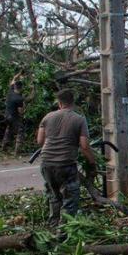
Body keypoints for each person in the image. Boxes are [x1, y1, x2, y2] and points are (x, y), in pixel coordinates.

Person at [37, 89, 96, 226]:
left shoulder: (47, 117)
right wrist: (92, 164)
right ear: (73, 102)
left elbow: (40, 141)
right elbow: (85, 146)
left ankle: (53, 228)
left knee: (54, 196)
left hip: (46, 163)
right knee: (69, 201)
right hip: (65, 165)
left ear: (59, 103)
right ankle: (63, 234)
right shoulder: (79, 119)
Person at [1, 74, 25, 156]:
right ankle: (17, 152)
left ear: (14, 86)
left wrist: (19, 73)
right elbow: (21, 112)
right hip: (14, 117)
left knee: (9, 130)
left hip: (6, 116)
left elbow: (14, 78)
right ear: (21, 88)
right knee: (20, 131)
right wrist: (24, 106)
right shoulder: (19, 98)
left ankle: (3, 148)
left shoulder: (10, 92)